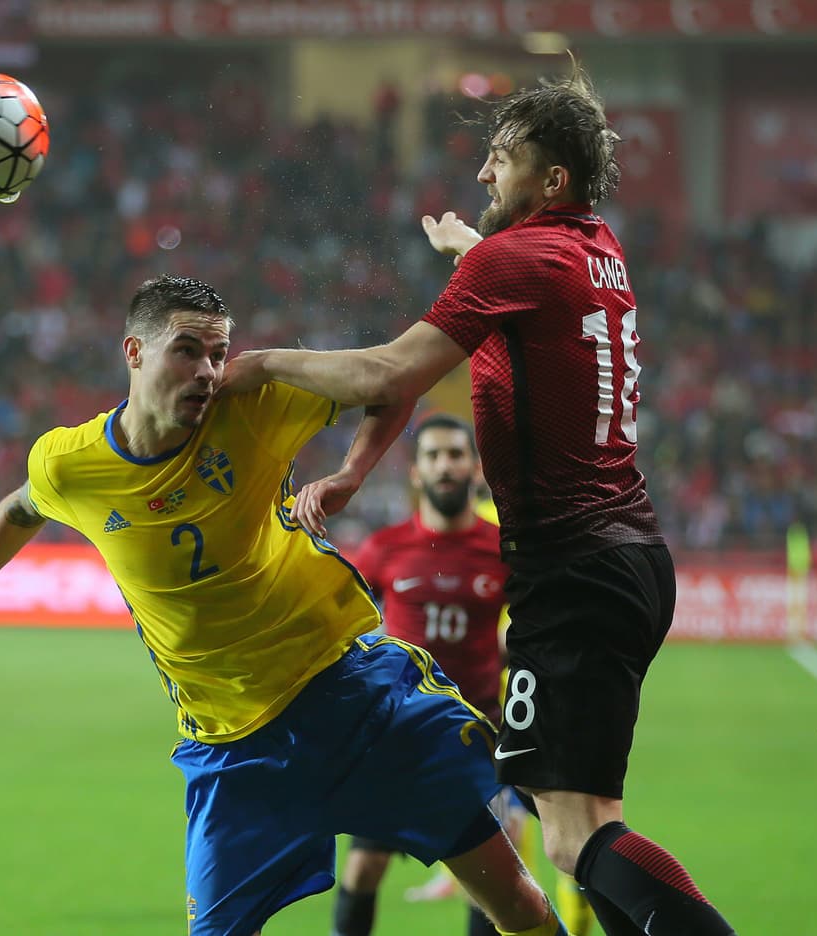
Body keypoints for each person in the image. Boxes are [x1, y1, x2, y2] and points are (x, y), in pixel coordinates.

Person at [0, 276, 563, 936]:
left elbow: (391, 383)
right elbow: (21, 510)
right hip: (234, 750)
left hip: (355, 698)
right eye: (187, 351)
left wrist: (344, 466)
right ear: (134, 352)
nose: (208, 373)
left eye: (219, 354)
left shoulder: (254, 407)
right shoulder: (70, 462)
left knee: (520, 905)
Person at [221, 68, 738, 936]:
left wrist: (259, 366)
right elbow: (500, 337)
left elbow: (388, 372)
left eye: (500, 160)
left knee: (577, 837)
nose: (482, 176)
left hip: (572, 571)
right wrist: (352, 470)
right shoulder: (594, 250)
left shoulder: (519, 258)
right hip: (627, 559)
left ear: (551, 182)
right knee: (581, 819)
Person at [332, 412, 518, 936]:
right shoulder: (386, 547)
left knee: (489, 882)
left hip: (476, 734)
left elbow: (531, 628)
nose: (445, 466)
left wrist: (509, 651)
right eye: (433, 456)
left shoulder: (502, 548)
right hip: (396, 734)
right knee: (365, 867)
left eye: (456, 455)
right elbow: (339, 620)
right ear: (416, 472)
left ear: (476, 469)